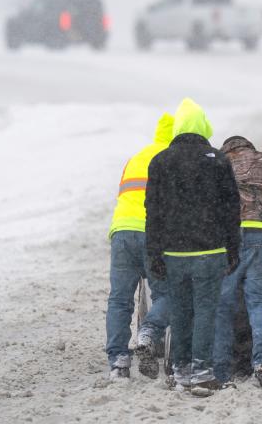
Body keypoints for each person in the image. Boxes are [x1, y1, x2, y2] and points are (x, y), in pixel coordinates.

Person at [145, 98, 240, 391]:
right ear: (203, 126)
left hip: (174, 253)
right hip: (210, 252)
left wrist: (155, 253)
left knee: (180, 312)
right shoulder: (218, 160)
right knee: (205, 312)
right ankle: (201, 370)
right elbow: (231, 208)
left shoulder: (160, 161)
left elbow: (154, 211)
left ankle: (179, 369)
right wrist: (232, 248)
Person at [213, 136, 262, 387]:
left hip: (231, 236)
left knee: (222, 306)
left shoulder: (220, 164)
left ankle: (220, 370)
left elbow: (210, 203)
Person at [105, 113, 174, 380]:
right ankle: (148, 332)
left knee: (120, 299)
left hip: (122, 232)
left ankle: (118, 362)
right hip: (153, 234)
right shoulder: (170, 159)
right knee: (167, 293)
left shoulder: (136, 158)